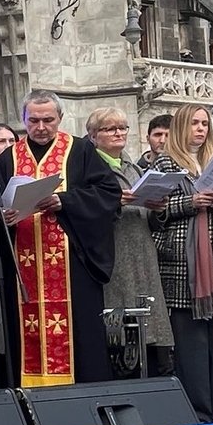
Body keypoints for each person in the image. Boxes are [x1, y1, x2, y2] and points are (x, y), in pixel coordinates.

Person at [0, 90, 121, 385]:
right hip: (23, 270)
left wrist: (65, 202)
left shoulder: (79, 151)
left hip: (72, 262)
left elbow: (108, 194)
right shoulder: (8, 157)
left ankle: (81, 398)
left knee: (79, 337)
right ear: (23, 119)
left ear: (60, 119)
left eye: (48, 120)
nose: (40, 127)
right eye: (33, 120)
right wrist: (3, 216)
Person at [152, 104, 213, 421]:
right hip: (184, 264)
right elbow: (154, 212)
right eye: (194, 123)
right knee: (192, 345)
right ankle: (199, 412)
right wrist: (189, 201)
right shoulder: (165, 162)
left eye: (205, 123)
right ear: (180, 126)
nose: (201, 129)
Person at [89, 107, 172, 376]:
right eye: (110, 128)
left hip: (142, 253)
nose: (118, 133)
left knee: (148, 333)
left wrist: (158, 209)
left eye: (122, 128)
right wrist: (113, 203)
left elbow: (149, 217)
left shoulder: (134, 168)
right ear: (93, 135)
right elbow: (84, 210)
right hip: (113, 256)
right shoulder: (89, 167)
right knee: (121, 336)